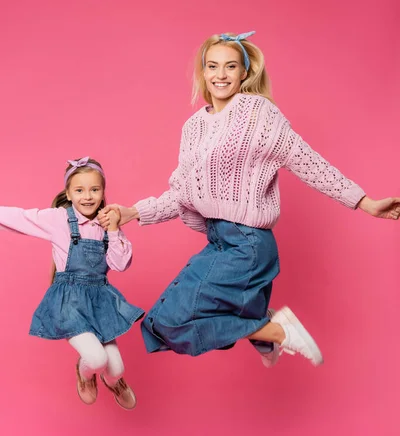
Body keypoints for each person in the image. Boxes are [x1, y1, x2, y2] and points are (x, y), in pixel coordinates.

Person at [99, 31, 400, 368]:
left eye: (230, 66)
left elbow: (307, 161)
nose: (220, 75)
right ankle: (262, 329)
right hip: (219, 242)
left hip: (247, 244)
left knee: (171, 320)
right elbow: (186, 193)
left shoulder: (258, 113)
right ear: (202, 72)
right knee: (158, 325)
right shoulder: (193, 127)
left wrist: (364, 202)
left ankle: (275, 330)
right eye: (212, 66)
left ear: (245, 72)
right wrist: (134, 212)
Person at [0, 157, 144, 409]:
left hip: (100, 301)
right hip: (69, 303)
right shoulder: (58, 219)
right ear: (68, 193)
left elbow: (120, 265)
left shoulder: (108, 223)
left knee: (116, 368)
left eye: (94, 189)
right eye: (79, 190)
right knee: (96, 359)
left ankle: (114, 382)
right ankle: (84, 372)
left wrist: (112, 229)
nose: (87, 197)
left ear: (103, 192)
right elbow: (20, 217)